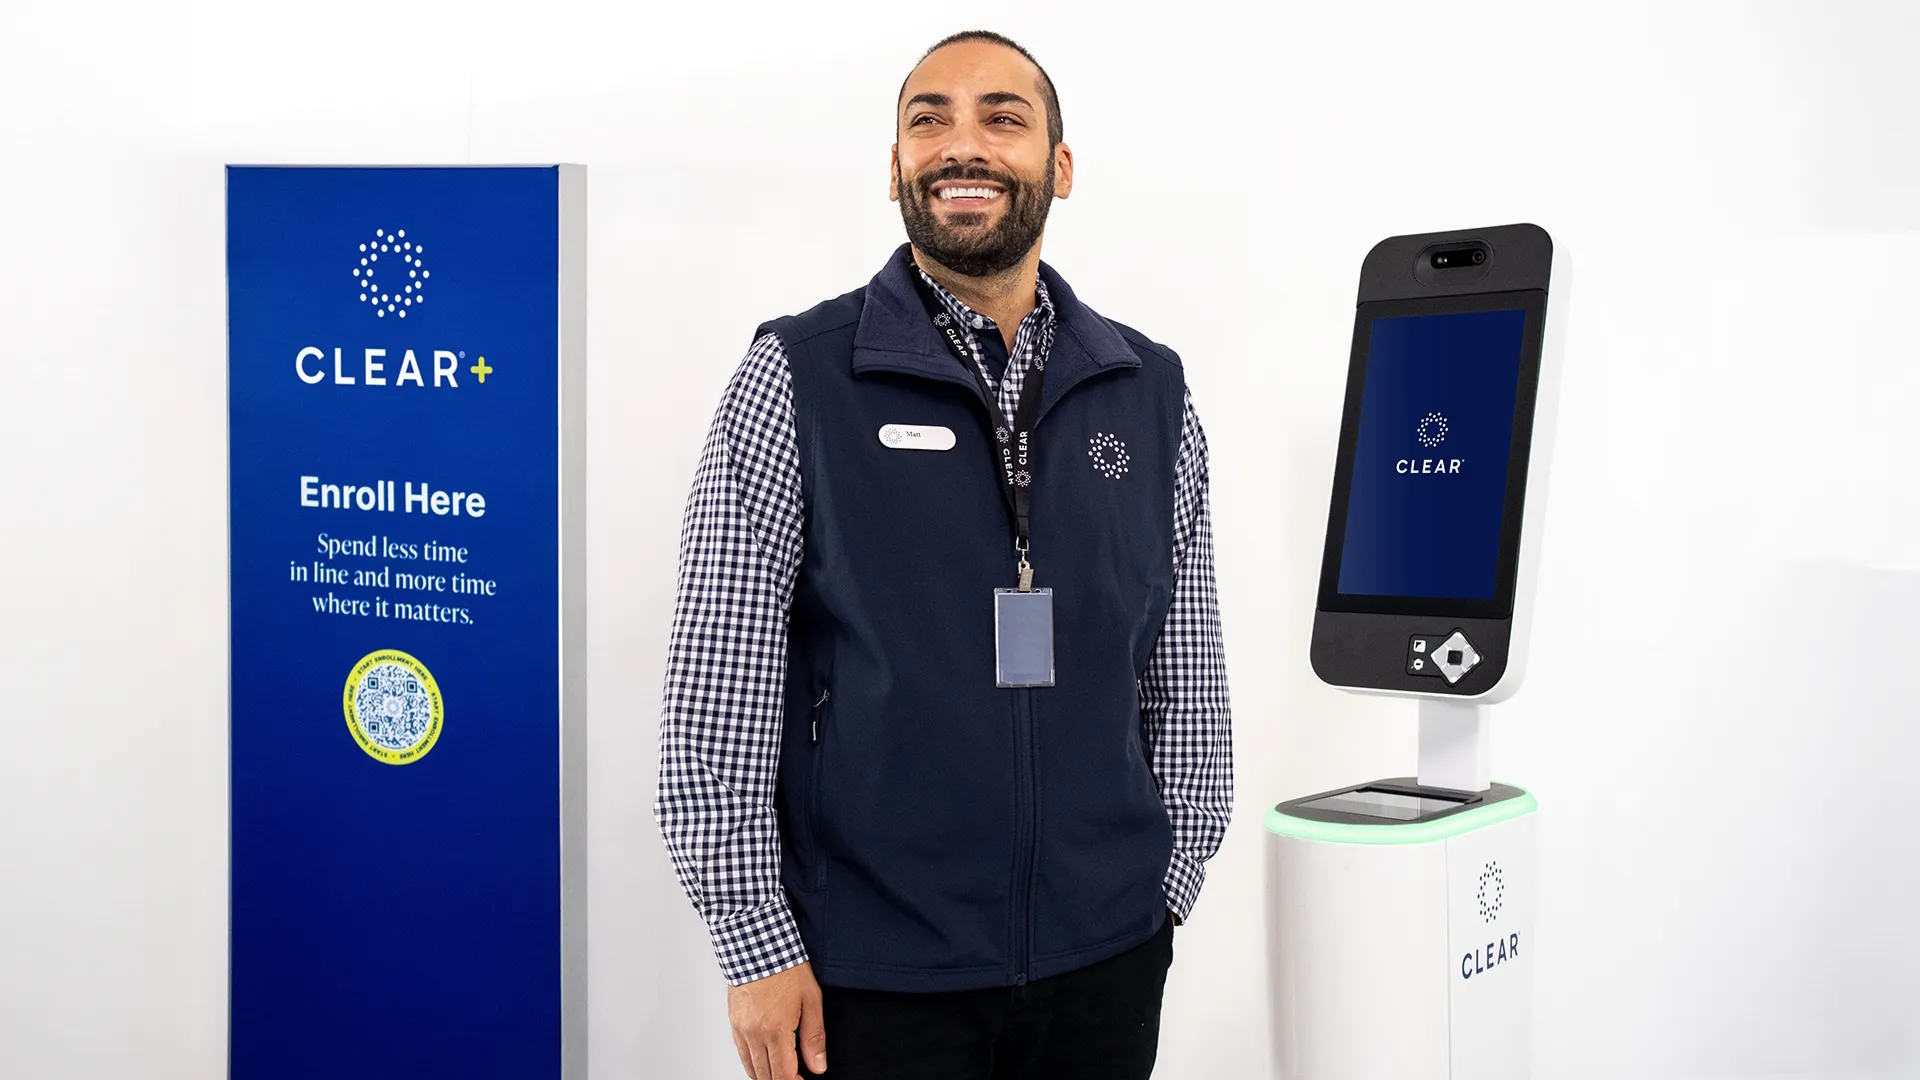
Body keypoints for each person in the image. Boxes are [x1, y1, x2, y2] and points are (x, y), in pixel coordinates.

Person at [656, 29, 1234, 1080]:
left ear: (1059, 166)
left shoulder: (1153, 394)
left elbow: (1185, 676)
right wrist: (755, 945)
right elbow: (717, 692)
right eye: (929, 121)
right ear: (894, 170)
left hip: (1105, 965)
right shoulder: (797, 378)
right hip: (872, 982)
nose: (960, 146)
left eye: (1002, 118)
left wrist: (1167, 887)